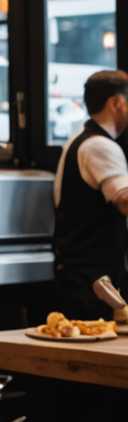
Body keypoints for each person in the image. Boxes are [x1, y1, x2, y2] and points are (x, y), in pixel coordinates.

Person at [52, 68, 128, 319]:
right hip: (93, 282)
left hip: (80, 277)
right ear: (116, 103)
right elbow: (125, 200)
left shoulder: (79, 141)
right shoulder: (99, 146)